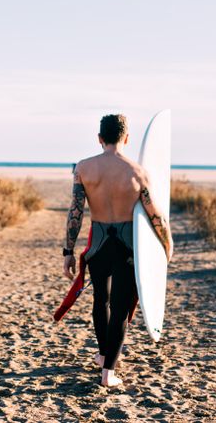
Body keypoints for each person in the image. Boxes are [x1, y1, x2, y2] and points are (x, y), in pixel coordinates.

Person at [62, 114, 173, 387]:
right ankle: (108, 373)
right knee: (121, 309)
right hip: (126, 248)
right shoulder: (137, 172)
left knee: (101, 301)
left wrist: (68, 251)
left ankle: (103, 355)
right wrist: (166, 245)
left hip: (98, 245)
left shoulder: (84, 169)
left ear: (100, 138)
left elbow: (75, 212)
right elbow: (155, 215)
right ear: (126, 138)